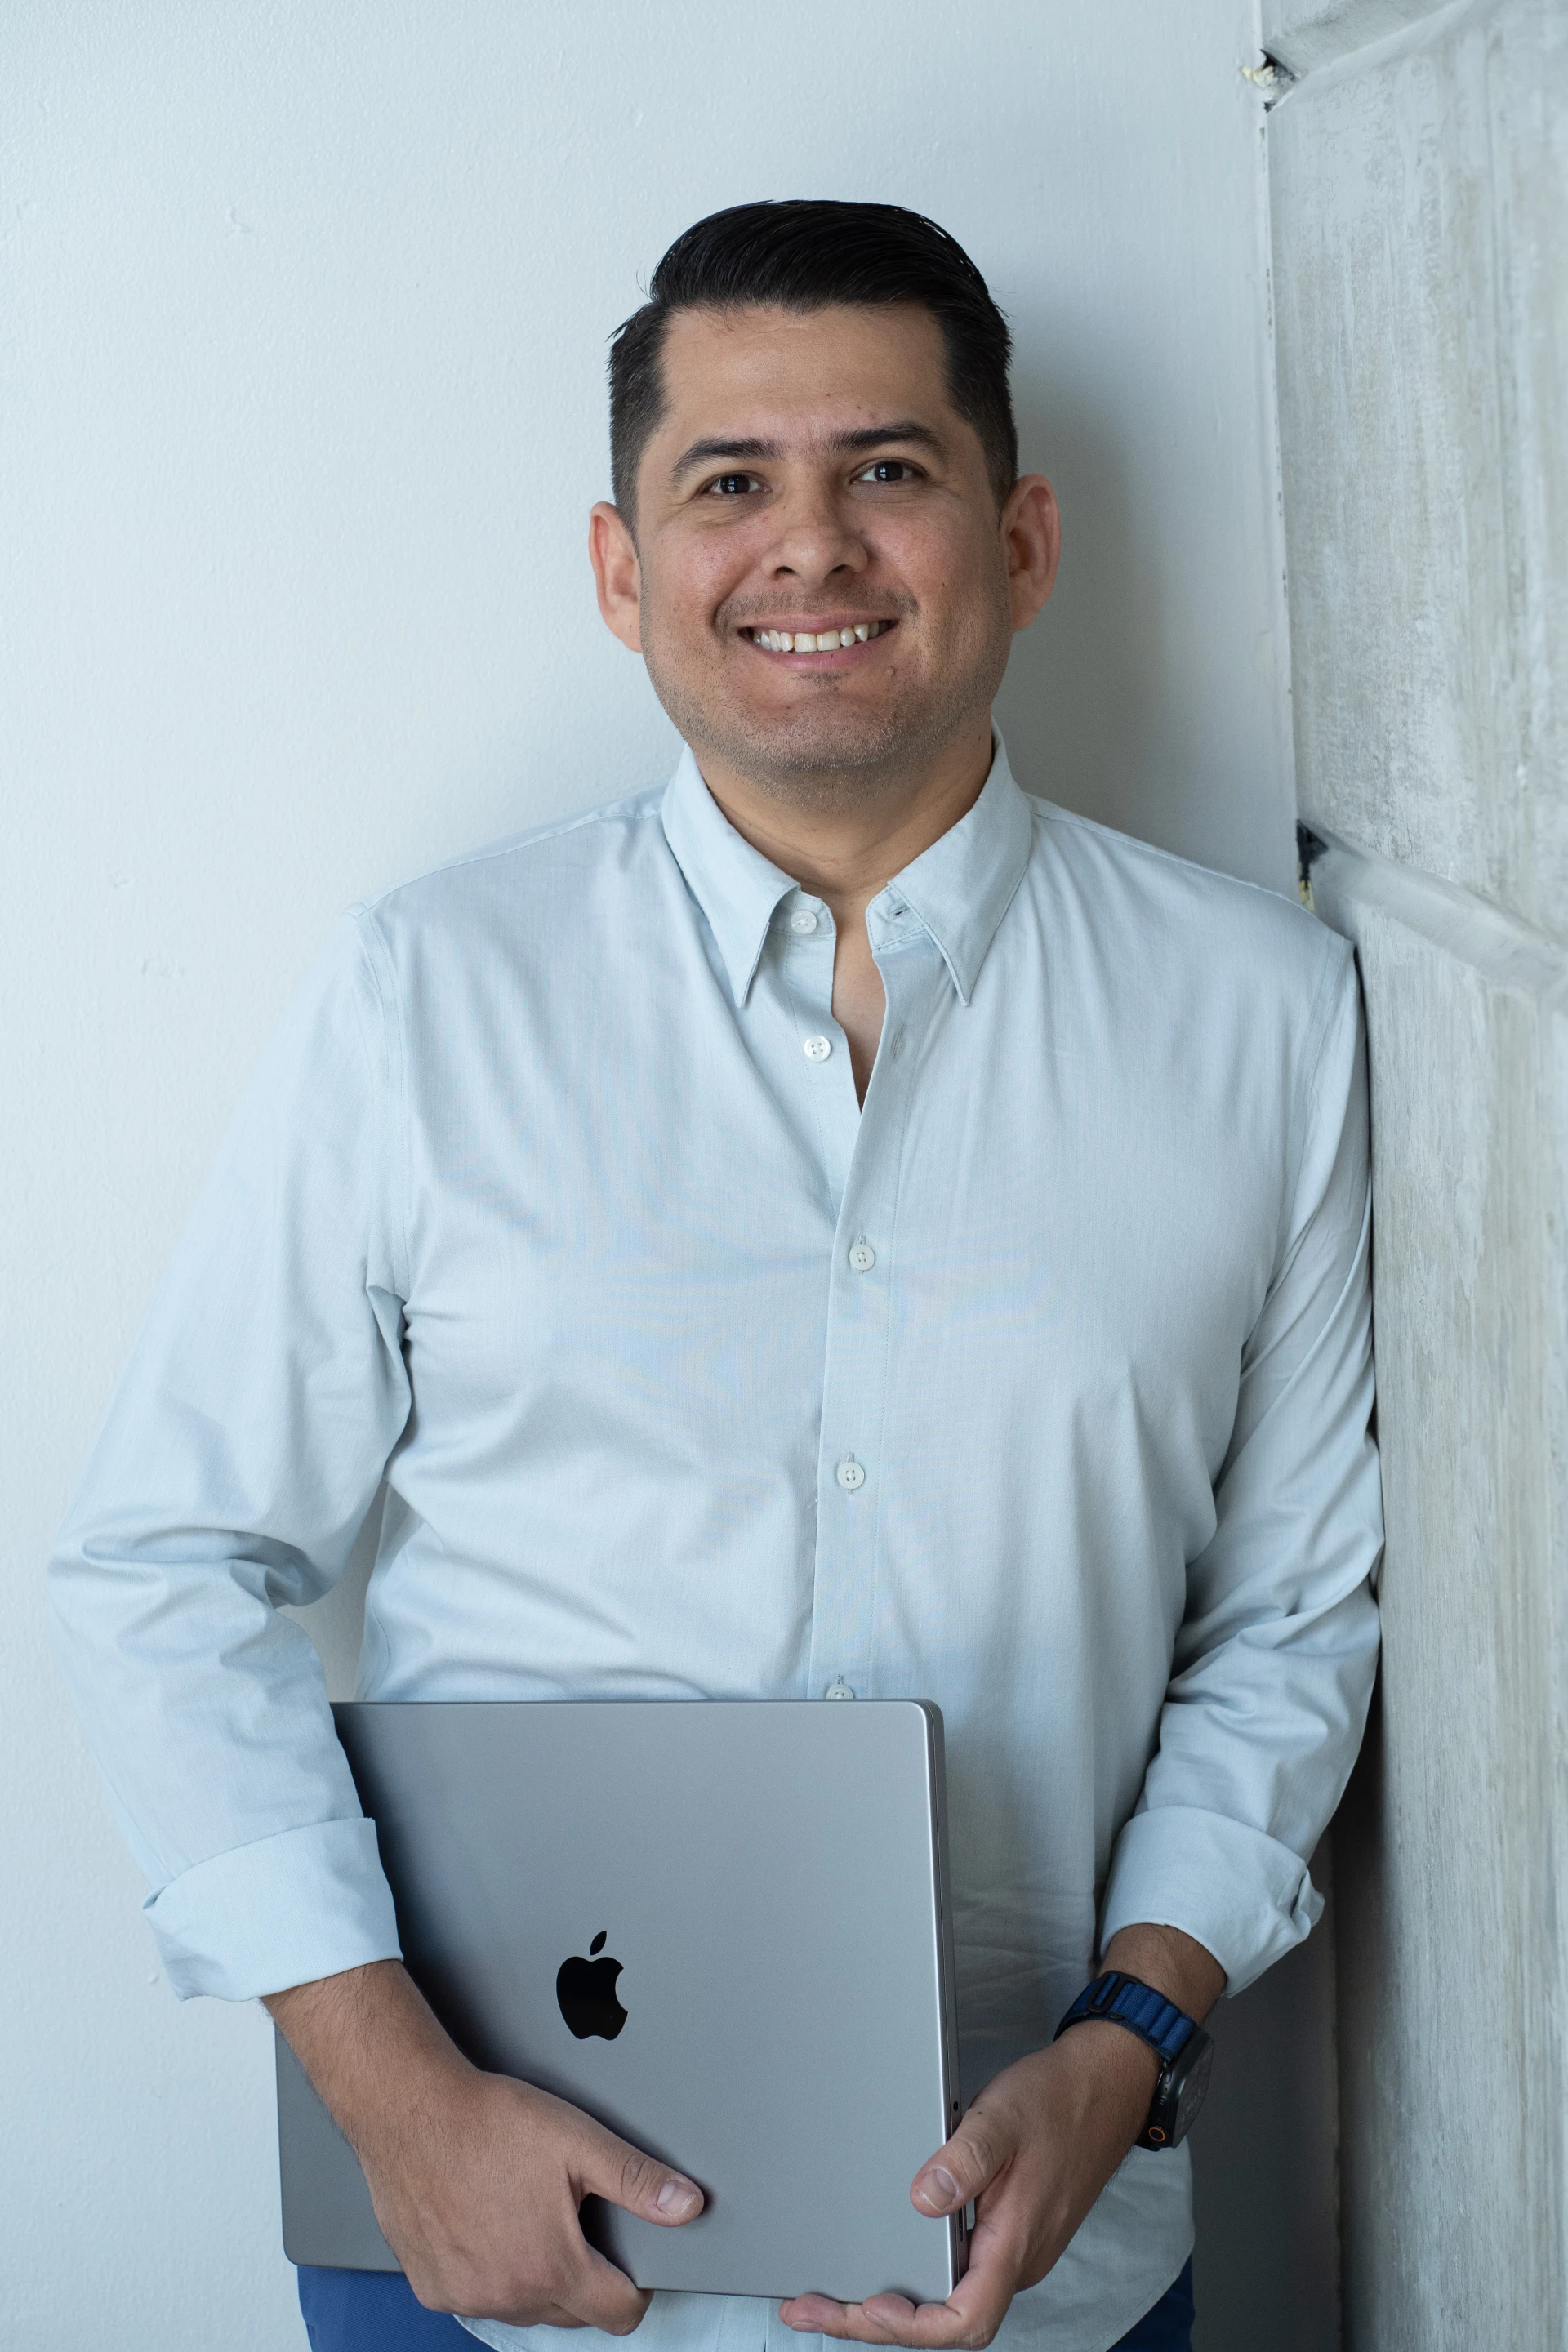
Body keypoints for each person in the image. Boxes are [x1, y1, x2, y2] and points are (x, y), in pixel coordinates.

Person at [49, 200, 1382, 2352]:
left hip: (1053, 2261)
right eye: (729, 482)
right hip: (484, 2266)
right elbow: (166, 1562)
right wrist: (396, 2105)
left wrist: (1133, 2039)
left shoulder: (1269, 1018)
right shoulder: (424, 995)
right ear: (622, 570)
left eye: (887, 469)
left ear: (1022, 539)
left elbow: (1293, 1617)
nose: (811, 547)